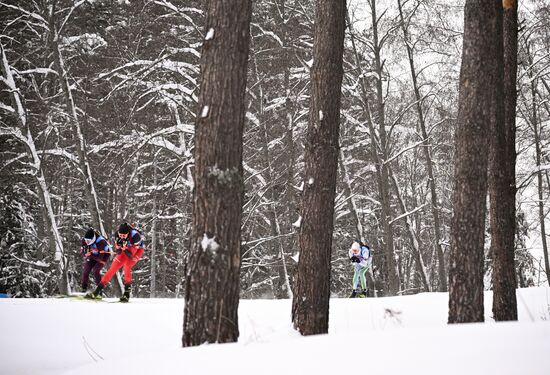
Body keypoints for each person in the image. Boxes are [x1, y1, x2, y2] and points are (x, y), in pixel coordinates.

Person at [87, 222, 144, 302]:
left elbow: (130, 255)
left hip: (136, 251)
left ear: (128, 233)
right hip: (126, 250)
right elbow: (119, 251)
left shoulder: (135, 236)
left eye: (124, 236)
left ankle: (127, 293)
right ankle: (97, 291)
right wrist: (119, 248)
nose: (122, 237)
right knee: (112, 269)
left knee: (127, 266)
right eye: (120, 235)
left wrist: (125, 248)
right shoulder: (117, 235)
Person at [80, 228, 111, 293]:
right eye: (86, 240)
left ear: (93, 238)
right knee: (86, 270)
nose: (87, 242)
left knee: (96, 270)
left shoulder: (101, 242)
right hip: (93, 255)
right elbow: (82, 252)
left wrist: (90, 253)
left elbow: (100, 258)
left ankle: (99, 290)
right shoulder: (84, 240)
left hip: (103, 256)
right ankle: (83, 289)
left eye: (89, 241)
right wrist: (86, 254)